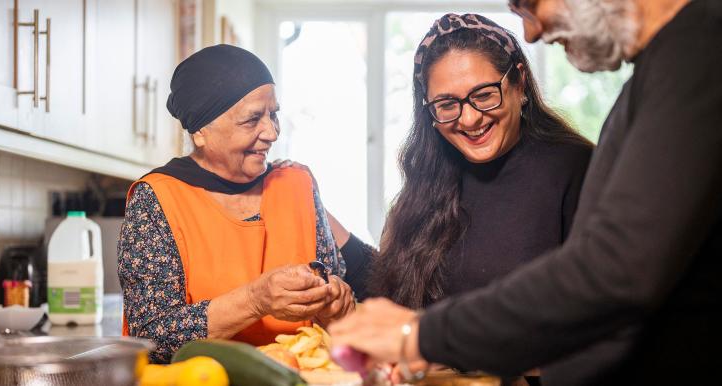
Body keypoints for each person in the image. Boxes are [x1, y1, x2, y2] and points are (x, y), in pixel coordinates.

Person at [330, 0, 722, 385]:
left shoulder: (700, 46)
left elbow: (614, 271)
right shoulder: (664, 63)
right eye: (447, 105)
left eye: (529, 4)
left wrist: (422, 338)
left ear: (518, 85)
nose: (531, 32)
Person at [118, 44, 355, 363]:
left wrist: (337, 303)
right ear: (201, 131)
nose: (271, 132)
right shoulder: (157, 199)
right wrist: (257, 300)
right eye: (253, 119)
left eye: (274, 115)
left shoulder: (298, 184)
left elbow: (337, 307)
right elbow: (150, 336)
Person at [369, 13, 592, 311]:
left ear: (519, 83)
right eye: (447, 104)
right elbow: (389, 292)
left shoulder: (576, 167)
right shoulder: (426, 181)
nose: (470, 118)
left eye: (484, 95)